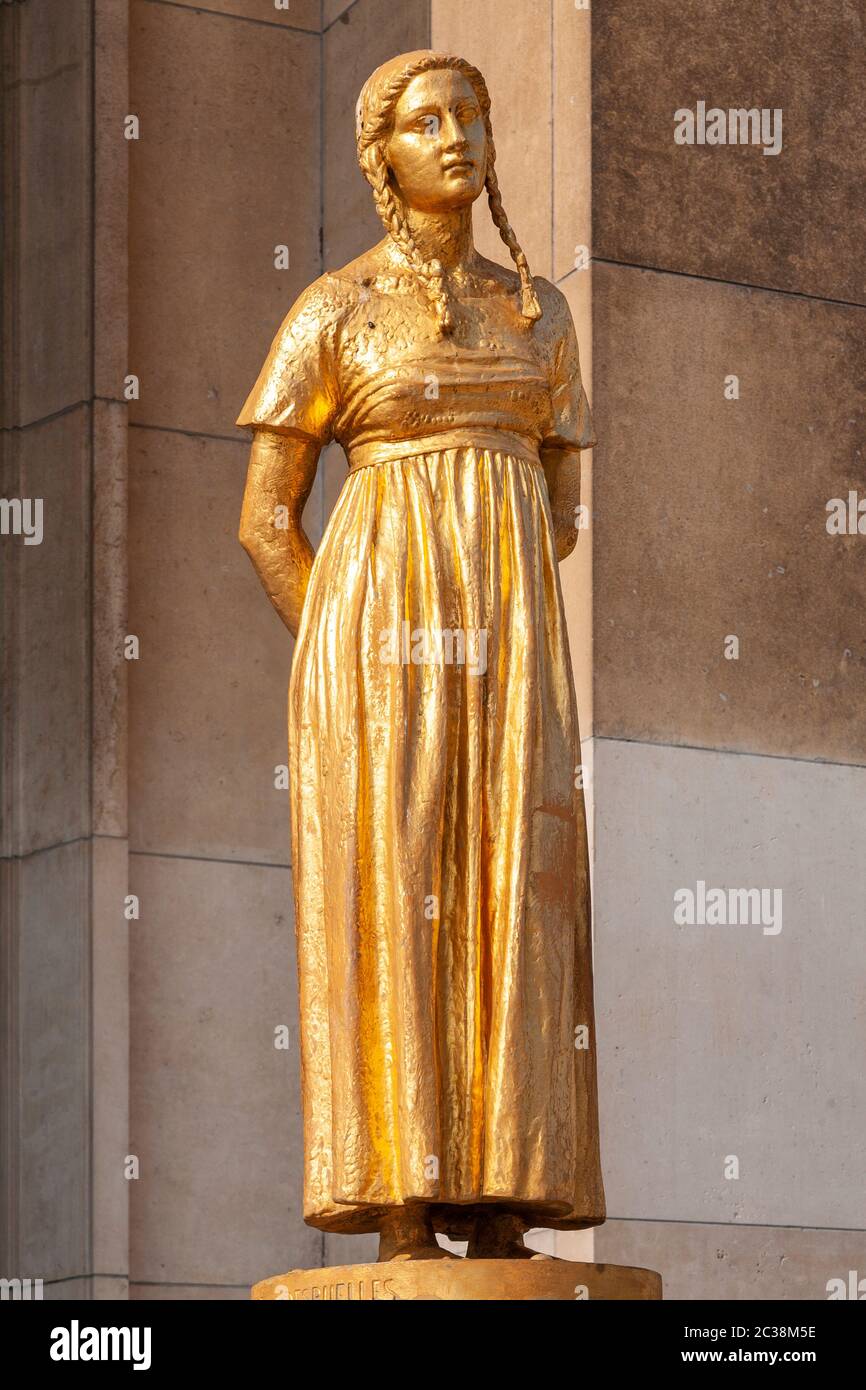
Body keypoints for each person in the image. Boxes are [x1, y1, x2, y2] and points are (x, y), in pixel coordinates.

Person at [238, 50, 605, 1262]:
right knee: (390, 892)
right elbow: (264, 516)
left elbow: (554, 509)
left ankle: (501, 1190)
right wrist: (341, 656)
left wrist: (484, 596)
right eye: (425, 120)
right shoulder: (334, 308)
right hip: (377, 655)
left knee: (520, 886)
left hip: (504, 656)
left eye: (473, 115)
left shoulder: (535, 311)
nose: (456, 136)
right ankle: (401, 1199)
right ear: (379, 153)